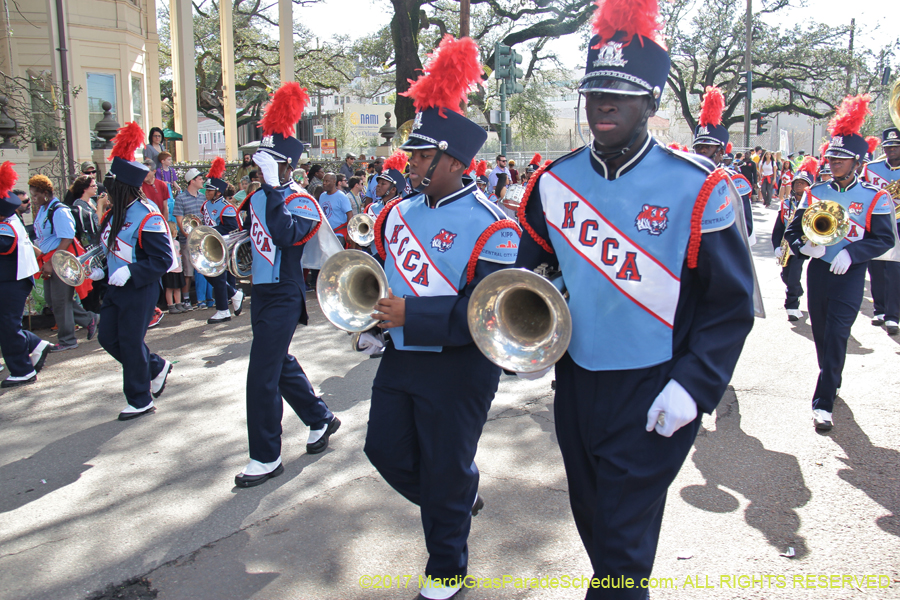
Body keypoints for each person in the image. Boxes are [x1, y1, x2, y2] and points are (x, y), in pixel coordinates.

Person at [514, 1, 755, 597]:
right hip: (575, 381)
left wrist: (693, 387)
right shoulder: (553, 182)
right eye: (595, 93)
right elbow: (529, 275)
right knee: (597, 524)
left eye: (620, 94)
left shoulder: (698, 187)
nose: (604, 106)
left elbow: (731, 305)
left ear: (650, 101)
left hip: (655, 385)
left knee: (621, 547)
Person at [363, 34, 520, 600]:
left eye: (423, 156)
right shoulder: (395, 214)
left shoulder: (494, 226)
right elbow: (385, 281)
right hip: (401, 356)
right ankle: (455, 497)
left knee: (445, 467)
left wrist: (413, 313)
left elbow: (490, 315)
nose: (412, 164)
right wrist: (375, 315)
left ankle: (447, 565)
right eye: (412, 154)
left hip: (460, 368)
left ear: (455, 159)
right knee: (383, 450)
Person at [236, 82, 339, 487]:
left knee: (260, 372)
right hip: (260, 291)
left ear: (284, 166)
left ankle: (265, 456)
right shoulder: (260, 195)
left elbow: (285, 235)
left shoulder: (300, 201)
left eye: (267, 164)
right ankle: (320, 417)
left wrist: (273, 187)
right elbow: (248, 231)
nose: (258, 169)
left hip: (285, 292)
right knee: (277, 365)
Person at [784, 94, 896, 431]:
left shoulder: (875, 196)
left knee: (836, 334)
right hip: (819, 271)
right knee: (821, 334)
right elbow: (793, 229)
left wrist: (852, 253)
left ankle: (823, 403)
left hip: (849, 275)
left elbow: (885, 239)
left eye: (842, 159)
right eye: (831, 157)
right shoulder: (815, 191)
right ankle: (831, 376)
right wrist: (805, 248)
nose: (833, 162)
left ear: (859, 163)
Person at [97, 122, 176, 420]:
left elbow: (162, 259)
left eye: (111, 188)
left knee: (130, 342)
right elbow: (109, 248)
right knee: (108, 338)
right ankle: (155, 366)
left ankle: (140, 398)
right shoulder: (113, 215)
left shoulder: (147, 215)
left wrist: (131, 273)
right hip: (115, 287)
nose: (106, 193)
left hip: (139, 288)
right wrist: (99, 270)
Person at [30, 174, 99, 352]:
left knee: (61, 301)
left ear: (45, 193)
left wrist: (52, 263)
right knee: (52, 299)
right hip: (50, 258)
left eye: (36, 195)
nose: (33, 199)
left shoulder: (59, 210)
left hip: (61, 260)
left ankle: (68, 339)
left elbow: (67, 237)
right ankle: (88, 319)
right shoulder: (44, 209)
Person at [0, 162, 52, 388]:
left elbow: (5, 247)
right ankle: (36, 344)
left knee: (8, 326)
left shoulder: (7, 225)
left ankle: (23, 370)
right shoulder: (8, 220)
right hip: (11, 279)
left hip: (13, 280)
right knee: (6, 324)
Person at [690, 85, 754, 241]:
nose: (702, 151)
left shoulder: (734, 180)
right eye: (699, 147)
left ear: (720, 152)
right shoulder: (687, 176)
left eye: (707, 147)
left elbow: (746, 227)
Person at [862, 126, 900, 336]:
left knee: (895, 271)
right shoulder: (872, 168)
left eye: (895, 146)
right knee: (876, 268)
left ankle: (893, 316)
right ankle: (880, 310)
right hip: (877, 222)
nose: (891, 150)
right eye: (888, 146)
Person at [200, 157, 244, 324]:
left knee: (217, 276)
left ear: (218, 191)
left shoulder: (227, 207)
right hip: (209, 243)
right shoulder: (205, 205)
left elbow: (231, 228)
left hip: (223, 244)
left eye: (209, 190)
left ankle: (223, 309)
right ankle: (233, 294)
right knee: (206, 272)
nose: (206, 192)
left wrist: (210, 232)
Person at [773, 157, 818, 321]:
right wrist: (776, 246)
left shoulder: (813, 205)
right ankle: (796, 292)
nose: (798, 185)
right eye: (796, 182)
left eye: (803, 182)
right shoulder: (785, 204)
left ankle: (791, 305)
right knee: (786, 276)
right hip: (786, 245)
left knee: (793, 277)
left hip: (801, 244)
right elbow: (778, 228)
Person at [173, 168, 206, 311]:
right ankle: (186, 299)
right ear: (192, 180)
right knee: (187, 271)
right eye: (200, 178)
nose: (202, 180)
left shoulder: (202, 197)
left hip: (202, 239)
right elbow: (180, 221)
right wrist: (190, 237)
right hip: (187, 240)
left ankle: (204, 298)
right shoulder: (180, 198)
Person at [318, 173, 352, 245]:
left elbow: (350, 214)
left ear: (334, 181)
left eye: (327, 181)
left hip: (339, 234)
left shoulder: (341, 196)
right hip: (326, 234)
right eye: (323, 181)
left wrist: (349, 233)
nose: (324, 183)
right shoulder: (322, 196)